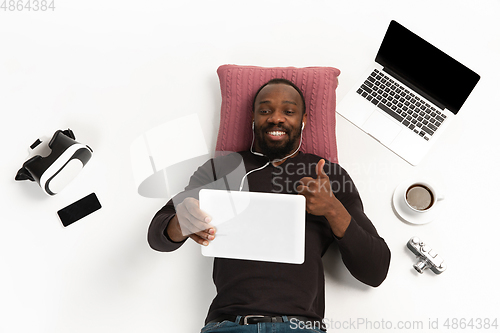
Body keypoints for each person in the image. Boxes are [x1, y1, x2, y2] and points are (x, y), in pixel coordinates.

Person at [148, 78, 391, 332]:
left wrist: (332, 208)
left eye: (288, 111)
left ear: (304, 119)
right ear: (253, 118)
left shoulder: (328, 176)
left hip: (300, 327)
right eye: (265, 111)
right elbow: (157, 236)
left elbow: (375, 271)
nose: (276, 118)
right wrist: (180, 223)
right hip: (229, 325)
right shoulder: (221, 170)